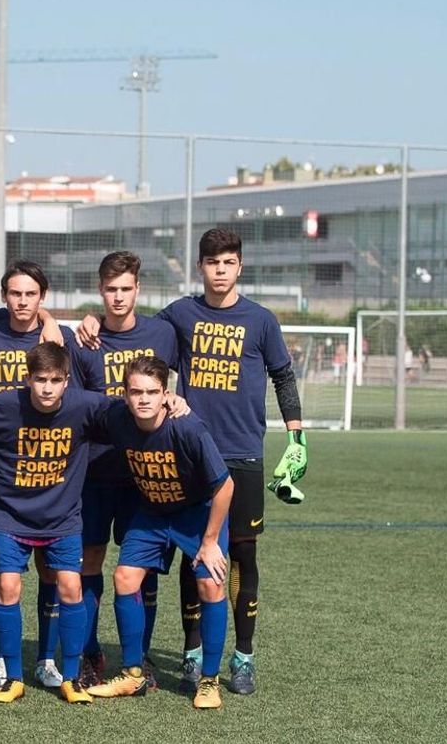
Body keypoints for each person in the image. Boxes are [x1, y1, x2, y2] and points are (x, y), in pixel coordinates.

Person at [77, 228, 307, 695]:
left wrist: (296, 437)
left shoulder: (261, 320)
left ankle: (243, 656)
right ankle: (193, 651)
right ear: (200, 266)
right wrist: (91, 319)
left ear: (240, 266)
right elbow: (130, 323)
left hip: (241, 451)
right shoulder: (180, 315)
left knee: (239, 554)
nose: (220, 270)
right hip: (184, 451)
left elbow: (283, 376)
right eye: (212, 262)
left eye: (228, 262)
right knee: (191, 558)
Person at [0, 342, 112, 704]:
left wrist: (173, 401)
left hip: (62, 518)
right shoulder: (4, 405)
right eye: (40, 379)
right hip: (10, 517)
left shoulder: (85, 405)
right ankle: (12, 677)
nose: (47, 388)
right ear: (27, 378)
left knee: (71, 588)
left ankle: (71, 677)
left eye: (55, 380)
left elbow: (129, 409)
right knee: (7, 587)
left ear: (67, 380)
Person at [86, 356, 232, 710]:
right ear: (124, 394)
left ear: (166, 394)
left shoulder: (187, 427)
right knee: (124, 578)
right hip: (152, 511)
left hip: (196, 514)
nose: (144, 399)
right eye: (136, 392)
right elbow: (76, 404)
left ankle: (209, 680)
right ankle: (133, 673)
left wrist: (210, 541)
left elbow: (225, 486)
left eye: (152, 392)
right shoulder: (117, 417)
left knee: (211, 583)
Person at [69, 251, 179, 689]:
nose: (118, 296)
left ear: (138, 289)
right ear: (100, 290)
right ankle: (89, 653)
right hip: (95, 472)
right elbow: (76, 408)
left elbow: (184, 382)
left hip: (146, 476)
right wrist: (88, 320)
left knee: (140, 569)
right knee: (90, 562)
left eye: (126, 288)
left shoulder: (162, 333)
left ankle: (139, 657)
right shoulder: (84, 342)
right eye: (111, 289)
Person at [0, 260, 75, 691]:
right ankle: (3, 658)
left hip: (51, 474)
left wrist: (53, 323)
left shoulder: (59, 337)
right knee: (3, 573)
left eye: (31, 294)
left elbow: (76, 394)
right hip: (3, 476)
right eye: (15, 293)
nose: (22, 301)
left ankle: (47, 658)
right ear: (3, 297)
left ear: (42, 297)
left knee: (51, 572)